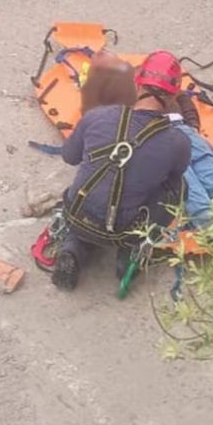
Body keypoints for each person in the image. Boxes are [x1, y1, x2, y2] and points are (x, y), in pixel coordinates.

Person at [53, 50, 191, 291]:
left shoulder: (97, 116)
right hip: (123, 229)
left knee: (96, 182)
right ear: (172, 98)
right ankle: (130, 252)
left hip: (76, 213)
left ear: (137, 86)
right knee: (179, 187)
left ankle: (73, 247)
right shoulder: (177, 142)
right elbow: (172, 179)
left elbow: (69, 157)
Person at [79, 52, 213, 232]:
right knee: (194, 172)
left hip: (177, 130)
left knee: (200, 170)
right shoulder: (123, 102)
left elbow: (184, 100)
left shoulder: (138, 90)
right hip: (163, 134)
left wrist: (193, 126)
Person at [166, 92, 213, 230]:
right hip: (171, 129)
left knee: (189, 177)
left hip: (171, 129)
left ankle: (211, 221)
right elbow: (183, 99)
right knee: (203, 172)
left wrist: (193, 125)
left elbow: (183, 99)